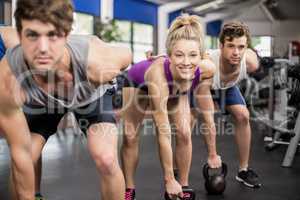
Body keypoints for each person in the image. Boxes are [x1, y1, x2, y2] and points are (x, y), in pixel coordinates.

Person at [0, 1, 132, 200]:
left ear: (66, 34)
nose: (42, 49)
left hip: (91, 96)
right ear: (20, 35)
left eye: (53, 35)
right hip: (44, 102)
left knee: (106, 158)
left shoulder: (97, 63)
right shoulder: (7, 75)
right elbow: (21, 158)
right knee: (25, 158)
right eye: (32, 35)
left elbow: (126, 55)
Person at [120, 14, 222, 200]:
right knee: (130, 136)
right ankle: (128, 188)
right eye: (179, 55)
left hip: (176, 89)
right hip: (138, 84)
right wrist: (167, 178)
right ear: (169, 55)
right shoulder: (157, 75)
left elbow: (204, 60)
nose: (186, 62)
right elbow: (164, 133)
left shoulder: (207, 68)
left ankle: (183, 185)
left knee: (184, 132)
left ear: (200, 55)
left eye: (193, 55)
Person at [191, 21, 261, 188]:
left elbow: (256, 60)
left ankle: (243, 170)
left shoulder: (250, 62)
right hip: (202, 84)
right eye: (230, 46)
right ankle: (177, 170)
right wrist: (213, 155)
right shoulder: (208, 65)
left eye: (241, 46)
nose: (236, 52)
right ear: (221, 45)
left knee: (243, 116)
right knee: (186, 125)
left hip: (227, 87)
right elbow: (208, 119)